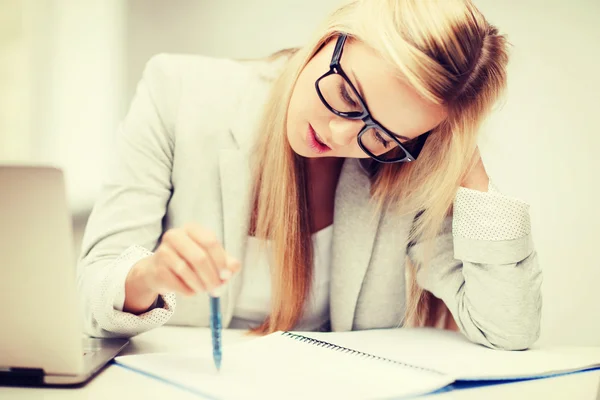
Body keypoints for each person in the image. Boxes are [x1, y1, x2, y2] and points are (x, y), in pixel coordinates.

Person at [77, 0, 542, 350]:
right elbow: (92, 295)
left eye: (380, 134)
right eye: (347, 93)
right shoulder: (178, 92)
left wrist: (465, 163)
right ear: (331, 37)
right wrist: (150, 276)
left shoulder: (405, 163)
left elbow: (507, 328)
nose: (341, 134)